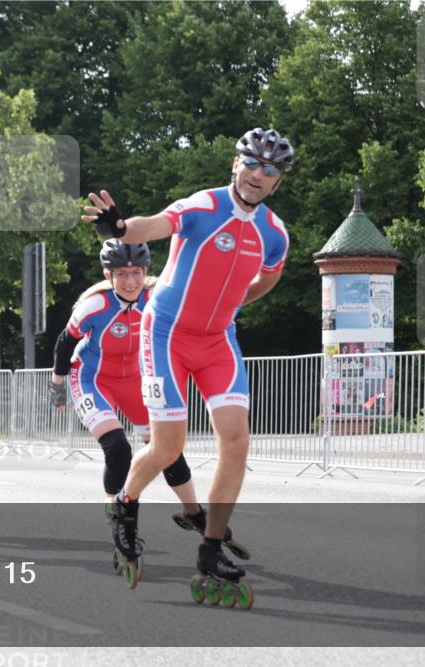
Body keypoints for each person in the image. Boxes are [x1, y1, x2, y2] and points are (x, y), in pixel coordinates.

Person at [83, 127, 292, 590]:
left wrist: (237, 302)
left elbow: (269, 276)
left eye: (270, 169)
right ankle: (124, 505)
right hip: (166, 334)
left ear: (278, 181)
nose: (258, 174)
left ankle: (210, 549)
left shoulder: (274, 233)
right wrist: (120, 228)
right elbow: (154, 225)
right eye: (252, 163)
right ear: (235, 164)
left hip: (218, 341)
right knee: (168, 447)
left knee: (236, 441)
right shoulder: (205, 205)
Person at [50, 240, 202, 534]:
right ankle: (116, 509)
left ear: (145, 272)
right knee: (118, 447)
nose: (130, 282)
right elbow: (65, 343)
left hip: (135, 379)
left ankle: (194, 512)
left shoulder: (157, 296)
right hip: (92, 378)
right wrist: (56, 385)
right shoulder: (95, 305)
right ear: (108, 276)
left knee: (166, 448)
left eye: (136, 273)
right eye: (121, 274)